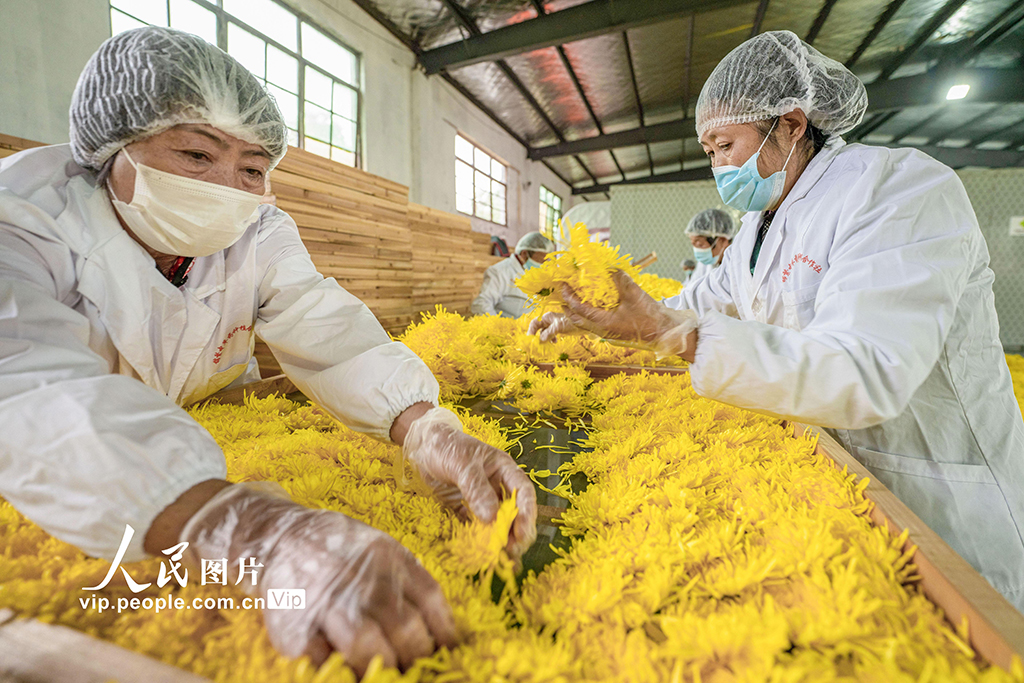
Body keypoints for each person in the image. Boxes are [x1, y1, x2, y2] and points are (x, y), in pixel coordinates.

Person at [0, 27, 537, 673]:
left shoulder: (259, 227)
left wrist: (426, 427)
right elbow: (29, 387)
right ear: (112, 145)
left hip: (198, 419)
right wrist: (247, 530)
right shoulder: (21, 216)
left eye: (252, 167)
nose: (229, 185)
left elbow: (323, 324)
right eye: (198, 154)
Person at [530, 30, 1024, 610]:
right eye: (708, 152)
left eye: (725, 144)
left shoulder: (896, 189)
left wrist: (673, 334)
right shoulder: (756, 233)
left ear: (791, 123)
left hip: (941, 494)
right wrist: (601, 316)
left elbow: (866, 369)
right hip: (839, 485)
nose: (717, 165)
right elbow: (696, 299)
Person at [470, 231, 555, 317]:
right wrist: (498, 327)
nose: (542, 265)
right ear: (524, 254)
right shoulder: (500, 271)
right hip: (508, 327)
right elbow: (481, 304)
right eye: (540, 260)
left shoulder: (534, 273)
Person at [683, 208, 737, 284]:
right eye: (693, 245)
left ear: (722, 240)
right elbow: (691, 287)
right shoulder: (706, 263)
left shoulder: (738, 265)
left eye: (700, 244)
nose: (697, 250)